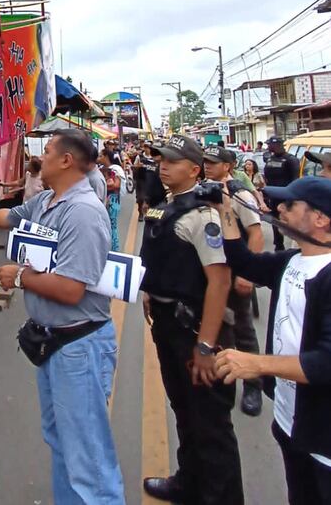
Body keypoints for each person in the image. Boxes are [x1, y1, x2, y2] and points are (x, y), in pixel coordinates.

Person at [0, 129, 125, 505]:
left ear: (66, 161)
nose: (40, 157)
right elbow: (12, 217)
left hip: (79, 347)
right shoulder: (48, 200)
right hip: (55, 343)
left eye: (46, 151)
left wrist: (20, 277)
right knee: (62, 441)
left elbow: (72, 289)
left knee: (88, 456)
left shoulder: (82, 212)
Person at [139, 135, 244, 505]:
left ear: (195, 170)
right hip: (168, 323)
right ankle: (189, 484)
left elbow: (220, 281)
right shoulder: (169, 205)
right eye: (160, 160)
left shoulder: (204, 216)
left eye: (172, 161)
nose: (163, 166)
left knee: (210, 424)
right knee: (184, 410)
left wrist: (205, 346)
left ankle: (220, 497)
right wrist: (151, 291)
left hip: (196, 329)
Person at [214, 177, 331, 505]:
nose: (280, 209)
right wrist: (225, 209)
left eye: (290, 205)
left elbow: (326, 362)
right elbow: (244, 262)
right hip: (289, 421)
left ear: (321, 218)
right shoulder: (292, 260)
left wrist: (257, 364)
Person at [203, 146, 265, 416]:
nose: (207, 166)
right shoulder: (203, 190)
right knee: (218, 330)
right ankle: (224, 378)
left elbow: (256, 234)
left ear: (227, 166)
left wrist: (247, 273)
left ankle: (253, 384)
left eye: (213, 162)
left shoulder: (239, 194)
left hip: (233, 272)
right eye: (205, 161)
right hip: (211, 274)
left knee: (243, 331)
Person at [264, 136, 301, 251]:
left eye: (270, 145)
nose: (268, 147)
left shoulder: (291, 160)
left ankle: (299, 244)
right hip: (273, 195)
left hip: (287, 196)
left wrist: (292, 198)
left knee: (292, 221)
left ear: (277, 145)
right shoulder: (270, 159)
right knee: (275, 221)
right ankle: (278, 245)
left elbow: (295, 179)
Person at [99, 148, 123, 251]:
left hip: (113, 201)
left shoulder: (115, 169)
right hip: (106, 200)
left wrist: (104, 185)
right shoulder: (102, 168)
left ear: (106, 157)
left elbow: (116, 185)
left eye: (100, 156)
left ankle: (114, 250)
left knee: (112, 226)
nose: (98, 158)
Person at [134, 141, 158, 221]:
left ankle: (150, 215)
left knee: (152, 199)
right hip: (141, 180)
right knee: (140, 198)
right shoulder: (139, 157)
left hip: (152, 181)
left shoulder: (155, 157)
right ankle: (141, 213)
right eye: (146, 147)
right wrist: (138, 166)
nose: (147, 149)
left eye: (149, 147)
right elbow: (134, 166)